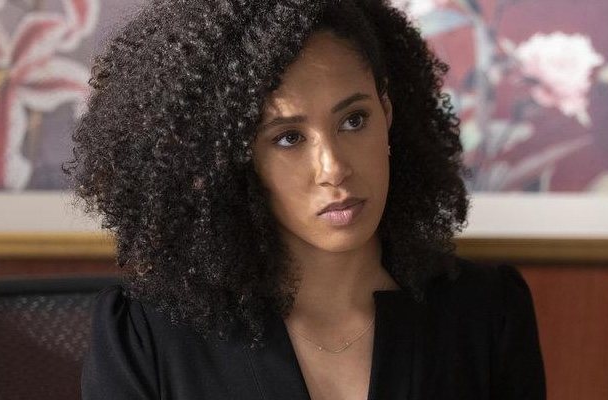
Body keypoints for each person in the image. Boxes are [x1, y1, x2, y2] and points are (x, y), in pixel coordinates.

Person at [68, 0, 546, 399]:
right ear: (232, 159)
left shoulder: (487, 314)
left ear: (387, 111)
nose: (333, 167)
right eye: (288, 137)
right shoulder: (147, 339)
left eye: (354, 120)